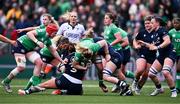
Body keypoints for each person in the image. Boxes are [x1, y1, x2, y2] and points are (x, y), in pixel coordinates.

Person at [1, 23, 63, 93]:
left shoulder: (48, 40)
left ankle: (36, 85)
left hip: (29, 49)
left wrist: (61, 61)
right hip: (20, 45)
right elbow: (29, 33)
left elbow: (53, 51)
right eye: (54, 33)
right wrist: (37, 42)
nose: (55, 34)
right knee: (21, 67)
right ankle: (6, 81)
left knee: (39, 62)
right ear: (50, 31)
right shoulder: (42, 32)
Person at [18, 52, 87, 95]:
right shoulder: (86, 58)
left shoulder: (71, 55)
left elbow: (62, 68)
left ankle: (26, 92)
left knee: (44, 85)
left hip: (66, 80)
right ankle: (62, 92)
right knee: (79, 92)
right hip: (78, 86)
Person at [147, 16, 177, 97]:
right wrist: (145, 44)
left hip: (170, 53)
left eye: (152, 23)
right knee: (151, 74)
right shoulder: (154, 33)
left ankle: (174, 92)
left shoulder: (162, 30)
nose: (151, 24)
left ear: (157, 23)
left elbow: (167, 41)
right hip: (162, 55)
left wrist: (157, 47)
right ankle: (159, 89)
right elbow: (153, 45)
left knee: (165, 72)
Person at [131, 15, 156, 95]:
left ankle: (138, 88)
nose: (147, 25)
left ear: (152, 23)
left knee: (146, 74)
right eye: (145, 24)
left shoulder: (156, 33)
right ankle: (135, 81)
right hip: (142, 53)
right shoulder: (142, 32)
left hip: (152, 55)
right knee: (140, 69)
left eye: (148, 23)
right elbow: (135, 40)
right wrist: (135, 45)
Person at [168, 18, 180, 93]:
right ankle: (176, 86)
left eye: (177, 23)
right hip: (173, 53)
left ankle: (178, 87)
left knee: (178, 69)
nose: (175, 24)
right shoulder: (171, 32)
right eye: (174, 23)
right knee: (171, 70)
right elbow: (167, 42)